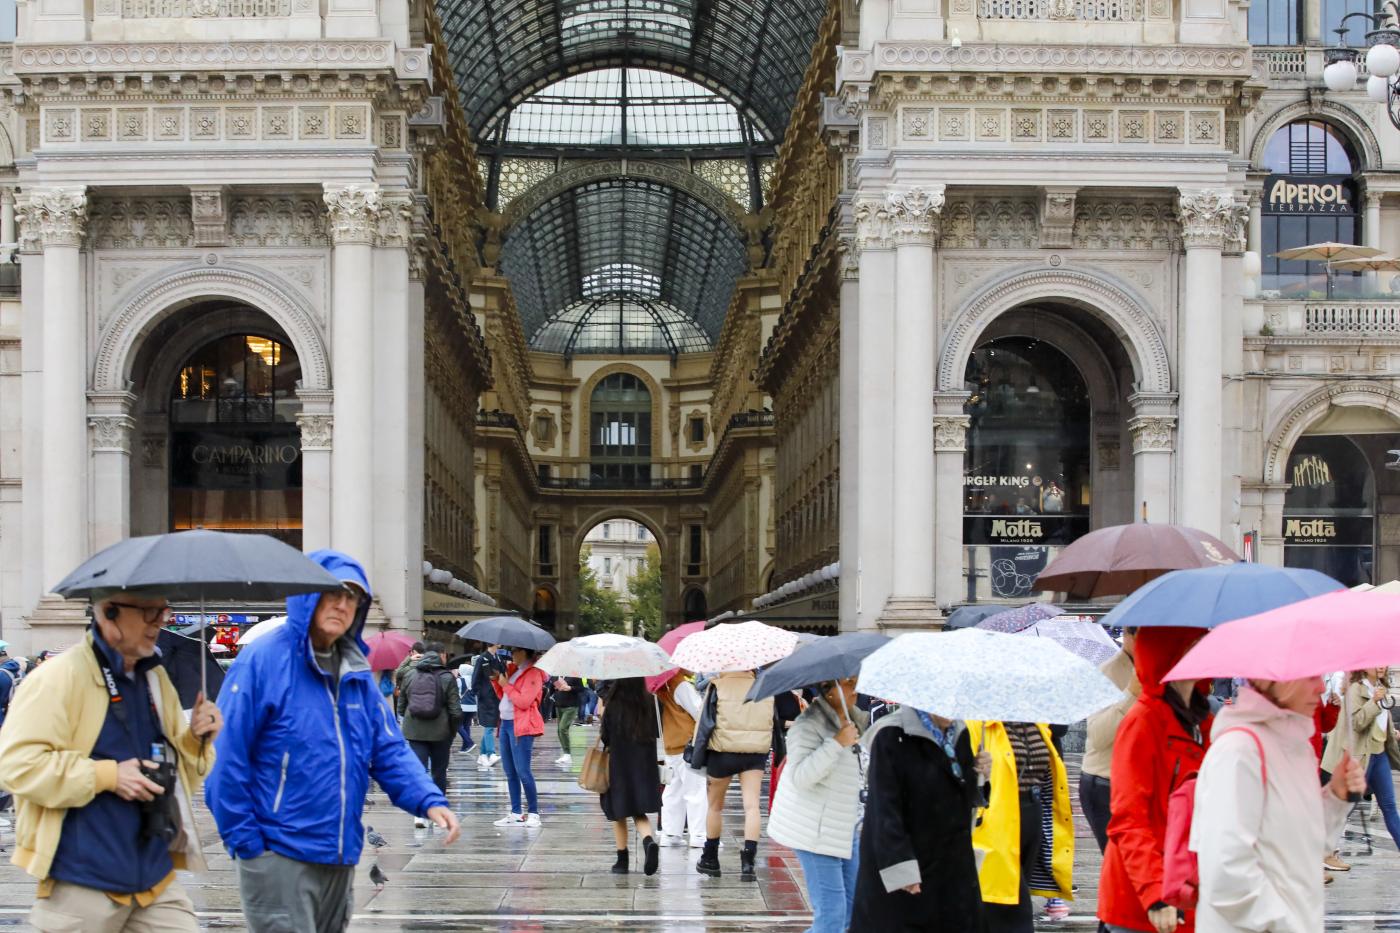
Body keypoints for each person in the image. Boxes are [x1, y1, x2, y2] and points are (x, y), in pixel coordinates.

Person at [208, 550, 460, 933]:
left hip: (338, 851)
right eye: (332, 593)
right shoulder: (262, 661)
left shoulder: (354, 667)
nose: (342, 606)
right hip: (278, 852)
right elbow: (225, 760)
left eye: (351, 598)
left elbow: (388, 749)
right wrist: (248, 844)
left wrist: (427, 799)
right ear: (307, 594)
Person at [0, 590, 222, 931]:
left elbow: (180, 780)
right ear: (109, 615)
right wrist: (107, 775)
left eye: (163, 611)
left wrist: (194, 741)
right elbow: (16, 766)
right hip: (82, 878)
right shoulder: (57, 677)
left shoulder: (155, 678)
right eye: (148, 612)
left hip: (155, 876)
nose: (161, 621)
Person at [1190, 676, 1366, 933]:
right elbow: (1225, 873)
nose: (1319, 688)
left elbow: (1305, 849)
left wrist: (1336, 797)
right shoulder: (1238, 752)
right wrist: (1287, 923)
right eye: (1310, 677)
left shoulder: (1298, 750)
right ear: (1276, 679)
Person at [1098, 626, 1211, 933]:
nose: (1206, 649)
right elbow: (1129, 818)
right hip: (1143, 903)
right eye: (1195, 644)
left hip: (1187, 891)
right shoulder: (1143, 721)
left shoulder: (1204, 719)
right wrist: (1156, 894)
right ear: (1172, 653)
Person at [848, 702, 985, 931]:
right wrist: (901, 867)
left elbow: (962, 798)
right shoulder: (892, 734)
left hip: (951, 863)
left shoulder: (959, 734)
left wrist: (979, 776)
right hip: (910, 862)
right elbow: (884, 807)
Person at [768, 677, 865, 933]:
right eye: (849, 682)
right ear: (829, 691)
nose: (855, 688)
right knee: (832, 915)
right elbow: (800, 777)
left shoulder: (853, 720)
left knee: (853, 910)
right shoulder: (807, 725)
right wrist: (836, 743)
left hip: (844, 826)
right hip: (815, 831)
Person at [967, 720, 1073, 933]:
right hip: (994, 826)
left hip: (1030, 820)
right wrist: (976, 772)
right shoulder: (978, 725)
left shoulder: (1037, 723)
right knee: (1005, 907)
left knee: (1012, 900)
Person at [697, 669, 773, 880]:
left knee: (714, 806)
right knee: (752, 807)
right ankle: (748, 863)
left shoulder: (717, 685)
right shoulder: (765, 685)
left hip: (723, 752)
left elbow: (705, 721)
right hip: (755, 753)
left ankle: (710, 858)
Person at [1323, 668, 1400, 853]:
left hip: (1379, 753)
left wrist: (1391, 734)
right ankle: (1323, 852)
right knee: (1346, 808)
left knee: (1389, 806)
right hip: (1361, 756)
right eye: (1376, 663)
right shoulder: (1356, 689)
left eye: (1383, 663)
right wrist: (1374, 701)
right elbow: (1357, 722)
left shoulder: (1380, 687)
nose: (1381, 666)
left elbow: (1382, 721)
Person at [1081, 630, 1139, 854]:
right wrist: (1131, 694)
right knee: (1120, 864)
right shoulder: (1110, 671)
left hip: (1138, 783)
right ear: (1127, 636)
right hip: (1106, 784)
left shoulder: (1160, 668)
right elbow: (1098, 735)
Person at [598, 678, 663, 875]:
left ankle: (622, 860)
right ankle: (648, 840)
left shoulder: (613, 703)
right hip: (644, 765)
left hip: (619, 764)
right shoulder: (651, 702)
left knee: (619, 811)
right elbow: (658, 731)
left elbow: (606, 737)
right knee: (638, 811)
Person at [396, 642, 462, 825]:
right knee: (438, 772)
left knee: (419, 771)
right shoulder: (447, 677)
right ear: (442, 655)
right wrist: (452, 730)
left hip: (414, 731)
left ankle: (420, 813)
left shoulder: (410, 674)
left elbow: (401, 706)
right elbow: (455, 710)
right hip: (441, 732)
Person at [492, 646, 549, 828]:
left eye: (514, 651)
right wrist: (497, 683)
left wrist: (505, 685)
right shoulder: (515, 671)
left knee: (523, 771)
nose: (511, 654)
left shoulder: (533, 673)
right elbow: (505, 696)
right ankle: (515, 812)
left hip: (521, 726)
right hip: (506, 723)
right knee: (510, 772)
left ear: (524, 652)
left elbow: (523, 702)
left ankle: (533, 813)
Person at [656, 669, 708, 848]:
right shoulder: (680, 683)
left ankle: (670, 834)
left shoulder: (662, 684)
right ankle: (699, 835)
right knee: (696, 790)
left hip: (671, 743)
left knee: (673, 791)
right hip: (688, 743)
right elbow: (699, 711)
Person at [472, 645, 505, 770]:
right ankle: (490, 753)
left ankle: (482, 755)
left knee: (490, 726)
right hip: (486, 697)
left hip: (496, 696)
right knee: (489, 726)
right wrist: (480, 693)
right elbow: (475, 679)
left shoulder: (498, 657)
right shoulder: (482, 659)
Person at [552, 674, 583, 765]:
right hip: (559, 705)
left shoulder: (575, 675)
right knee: (559, 730)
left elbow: (581, 689)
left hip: (571, 705)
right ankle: (565, 753)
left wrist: (570, 688)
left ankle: (567, 754)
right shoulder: (556, 675)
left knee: (563, 728)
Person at [456, 663, 477, 752]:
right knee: (466, 725)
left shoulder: (460, 680)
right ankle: (465, 747)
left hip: (463, 706)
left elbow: (456, 692)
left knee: (457, 725)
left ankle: (469, 742)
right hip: (473, 706)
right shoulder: (474, 680)